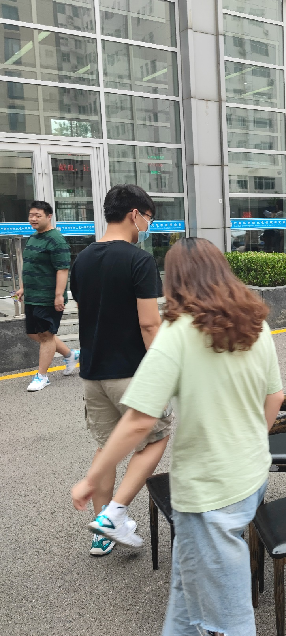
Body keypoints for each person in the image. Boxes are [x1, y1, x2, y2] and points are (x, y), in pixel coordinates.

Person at [72, 238, 284, 636]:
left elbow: (139, 421)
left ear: (175, 281)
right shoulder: (256, 323)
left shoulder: (178, 332)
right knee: (188, 598)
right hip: (250, 475)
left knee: (231, 615)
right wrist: (250, 439)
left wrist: (91, 478)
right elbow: (275, 397)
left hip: (208, 491)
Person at [70, 184, 172, 557]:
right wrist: (163, 368)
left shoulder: (82, 259)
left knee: (107, 447)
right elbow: (149, 323)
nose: (148, 226)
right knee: (157, 436)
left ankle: (102, 534)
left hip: (92, 372)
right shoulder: (139, 261)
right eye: (149, 218)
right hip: (131, 371)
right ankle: (115, 513)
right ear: (135, 214)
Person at [15, 201, 79, 392]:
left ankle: (42, 376)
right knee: (33, 333)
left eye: (38, 215)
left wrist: (59, 295)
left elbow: (62, 269)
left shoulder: (56, 240)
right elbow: (31, 265)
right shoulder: (34, 237)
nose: (33, 219)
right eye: (31, 215)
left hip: (47, 297)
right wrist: (23, 288)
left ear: (49, 216)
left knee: (46, 335)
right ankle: (71, 355)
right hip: (32, 295)